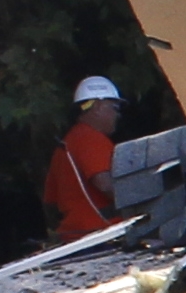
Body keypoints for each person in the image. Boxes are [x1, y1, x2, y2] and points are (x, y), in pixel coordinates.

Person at [42, 76, 125, 237]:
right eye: (115, 107)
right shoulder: (91, 138)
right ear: (99, 106)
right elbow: (105, 185)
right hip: (100, 234)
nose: (117, 115)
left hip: (75, 237)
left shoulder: (67, 144)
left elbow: (50, 203)